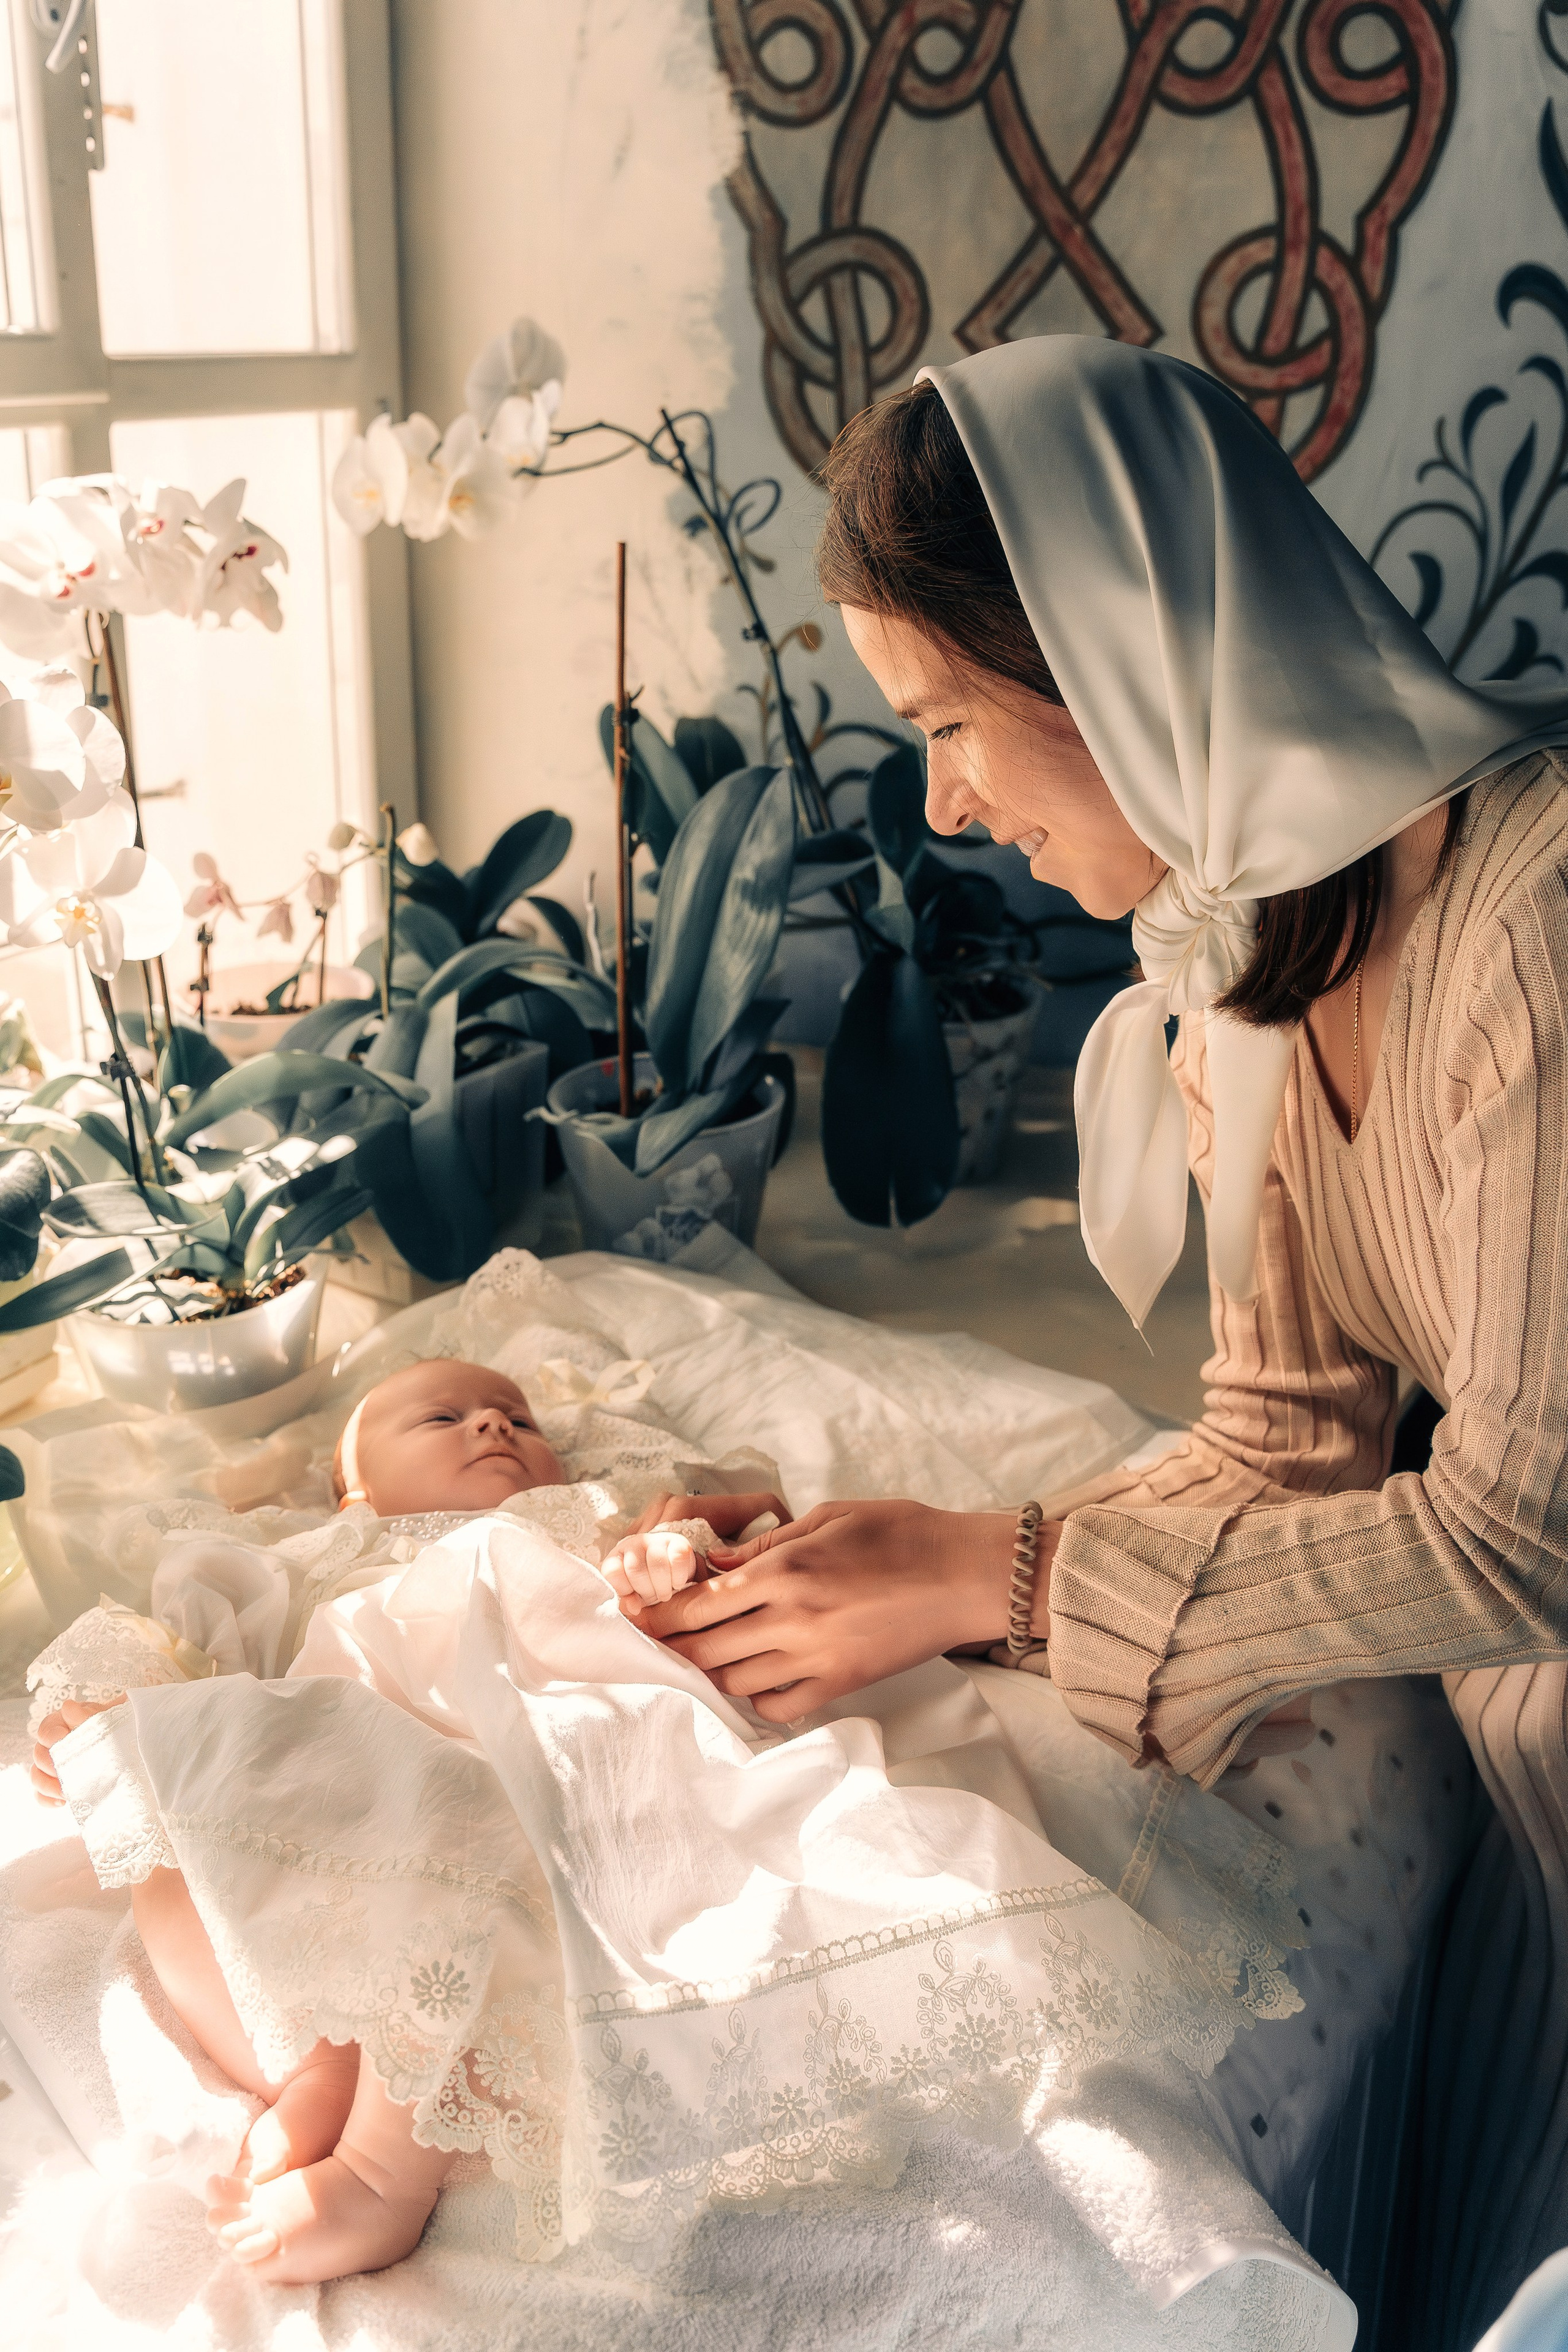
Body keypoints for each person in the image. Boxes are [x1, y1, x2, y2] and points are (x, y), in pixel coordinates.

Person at [627, 336, 1568, 2348]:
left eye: (950, 722)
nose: (948, 803)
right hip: (1526, 1776)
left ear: (1119, 651)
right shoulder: (1261, 931)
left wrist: (1017, 1574)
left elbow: (1526, 1540)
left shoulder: (1537, 920)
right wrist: (903, 1579)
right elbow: (1288, 1432)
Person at [31, 1357, 782, 2283]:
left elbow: (734, 1542)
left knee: (466, 1841)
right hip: (335, 1787)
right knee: (158, 1795)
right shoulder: (305, 1552)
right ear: (352, 1486)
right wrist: (105, 1711)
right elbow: (187, 1638)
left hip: (502, 1767)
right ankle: (317, 2070)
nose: (495, 1426)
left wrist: (662, 1560)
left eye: (519, 1418)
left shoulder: (581, 1520)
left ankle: (382, 2171)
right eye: (443, 1418)